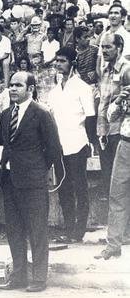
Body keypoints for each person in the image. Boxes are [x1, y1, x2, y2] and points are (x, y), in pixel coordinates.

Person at [0, 71, 62, 293]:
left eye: (18, 85)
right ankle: (18, 276)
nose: (12, 89)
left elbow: (54, 149)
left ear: (30, 88)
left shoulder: (41, 113)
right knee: (14, 230)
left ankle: (39, 278)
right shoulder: (6, 114)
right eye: (11, 85)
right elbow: (8, 145)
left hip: (33, 182)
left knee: (37, 230)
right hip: (10, 180)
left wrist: (37, 171)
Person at [46, 47, 96, 242]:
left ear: (72, 63)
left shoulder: (83, 87)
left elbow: (90, 116)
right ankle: (68, 229)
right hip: (59, 146)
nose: (58, 64)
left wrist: (91, 143)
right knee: (64, 188)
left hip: (77, 143)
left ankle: (79, 231)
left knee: (79, 188)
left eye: (63, 61)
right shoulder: (54, 91)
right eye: (57, 60)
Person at [95, 65, 130, 260]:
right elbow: (110, 117)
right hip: (125, 144)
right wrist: (119, 99)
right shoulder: (124, 98)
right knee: (117, 194)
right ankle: (113, 245)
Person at [96, 33, 127, 198]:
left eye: (108, 47)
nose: (104, 50)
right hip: (104, 130)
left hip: (119, 131)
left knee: (120, 178)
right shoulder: (105, 70)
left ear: (119, 48)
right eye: (102, 47)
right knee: (107, 173)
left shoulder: (126, 69)